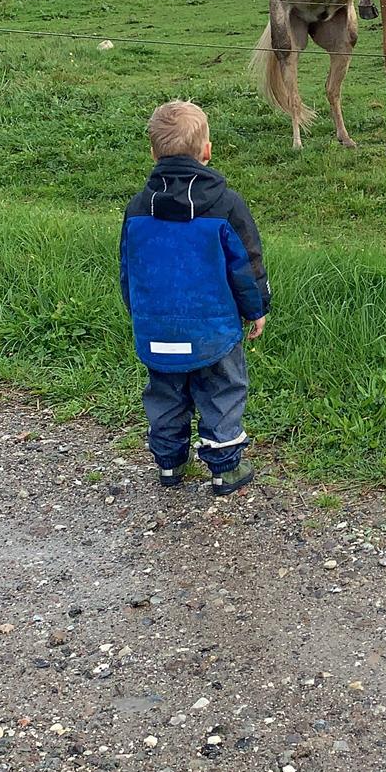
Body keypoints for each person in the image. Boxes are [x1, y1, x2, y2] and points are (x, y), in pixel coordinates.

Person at [119, 99, 270, 496]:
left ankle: (169, 465)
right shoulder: (226, 205)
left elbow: (128, 267)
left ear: (153, 153)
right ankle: (224, 468)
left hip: (156, 328)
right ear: (207, 151)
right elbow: (247, 264)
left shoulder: (137, 208)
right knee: (222, 390)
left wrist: (137, 311)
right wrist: (256, 309)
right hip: (214, 330)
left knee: (165, 393)